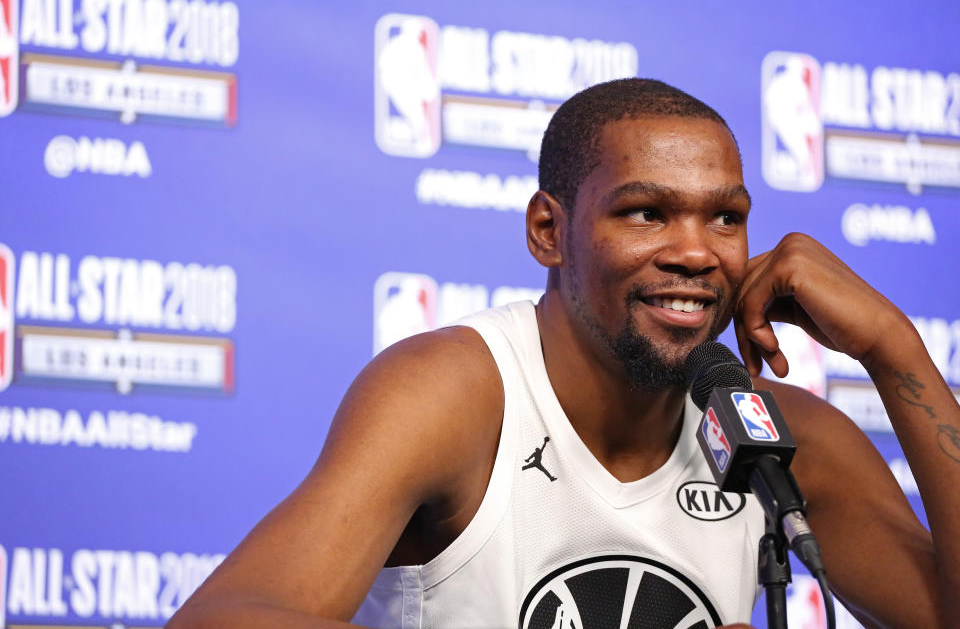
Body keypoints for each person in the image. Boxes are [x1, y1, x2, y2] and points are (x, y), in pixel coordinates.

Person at [167, 79, 960, 629]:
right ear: (549, 231)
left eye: (726, 219)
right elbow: (222, 618)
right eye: (646, 213)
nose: (696, 252)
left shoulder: (776, 439)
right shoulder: (452, 392)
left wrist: (898, 353)